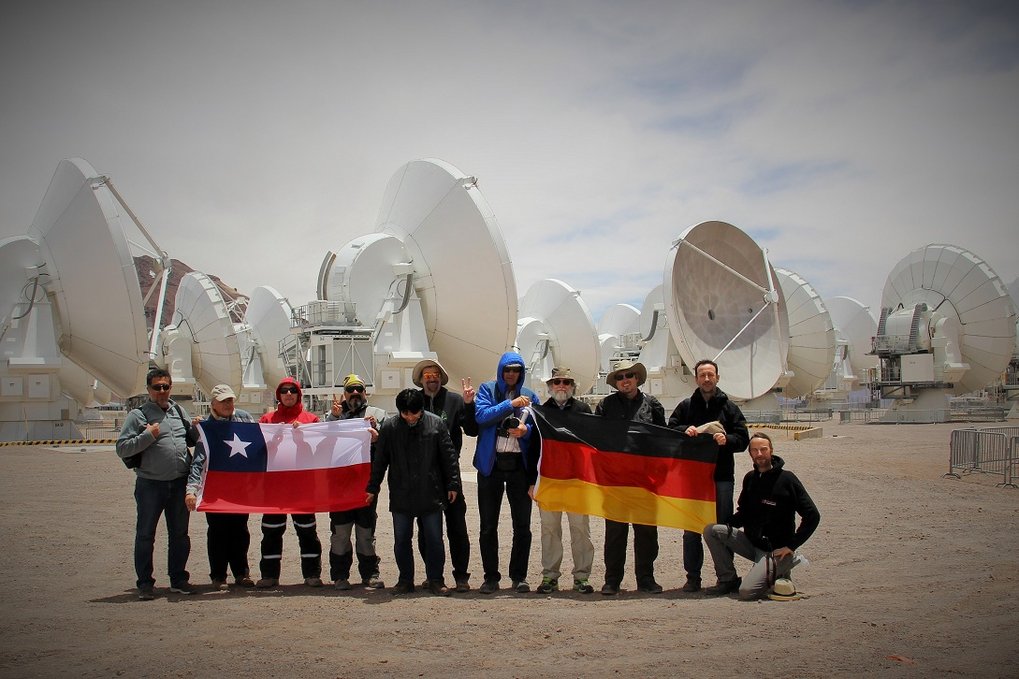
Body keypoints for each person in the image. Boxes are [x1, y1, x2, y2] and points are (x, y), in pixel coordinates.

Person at [365, 389, 461, 596]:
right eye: (405, 413)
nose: (410, 417)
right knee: (401, 539)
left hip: (431, 492)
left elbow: (449, 457)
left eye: (414, 413)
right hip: (401, 494)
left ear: (422, 410)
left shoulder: (436, 424)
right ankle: (405, 580)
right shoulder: (390, 427)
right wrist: (373, 487)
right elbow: (380, 461)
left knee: (435, 539)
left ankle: (436, 580)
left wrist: (453, 484)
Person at [702, 432, 820, 599]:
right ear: (750, 453)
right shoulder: (750, 478)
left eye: (763, 449)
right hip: (754, 544)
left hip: (778, 551)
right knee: (711, 530)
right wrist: (726, 525)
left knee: (746, 592)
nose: (759, 454)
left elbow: (813, 516)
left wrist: (791, 546)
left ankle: (783, 569)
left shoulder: (787, 479)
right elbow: (743, 513)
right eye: (754, 450)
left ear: (771, 450)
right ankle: (728, 580)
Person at [667, 359, 750, 593]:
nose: (706, 379)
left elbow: (743, 439)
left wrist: (728, 441)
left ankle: (726, 576)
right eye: (702, 375)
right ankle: (693, 577)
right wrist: (686, 430)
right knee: (691, 528)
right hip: (692, 478)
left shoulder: (729, 408)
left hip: (721, 477)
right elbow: (670, 430)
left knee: (721, 528)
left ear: (717, 378)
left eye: (710, 375)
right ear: (696, 379)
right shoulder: (686, 407)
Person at [116, 368, 198, 600]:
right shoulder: (138, 416)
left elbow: (190, 439)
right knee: (145, 535)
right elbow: (122, 448)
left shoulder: (178, 411)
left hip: (179, 483)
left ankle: (179, 579)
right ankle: (145, 583)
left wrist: (197, 427)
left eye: (165, 386)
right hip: (150, 484)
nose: (162, 391)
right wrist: (147, 436)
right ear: (149, 389)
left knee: (180, 534)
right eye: (157, 387)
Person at [596, 359, 666, 595]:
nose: (624, 380)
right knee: (615, 532)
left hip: (645, 480)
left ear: (637, 378)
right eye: (619, 377)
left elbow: (663, 440)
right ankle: (612, 580)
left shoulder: (653, 405)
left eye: (628, 376)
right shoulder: (605, 406)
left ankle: (646, 578)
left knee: (646, 531)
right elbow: (597, 441)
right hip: (616, 480)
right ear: (615, 382)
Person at [473, 351, 538, 594]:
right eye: (507, 369)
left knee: (522, 526)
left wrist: (526, 430)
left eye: (516, 370)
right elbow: (481, 416)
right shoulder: (487, 390)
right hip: (491, 465)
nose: (511, 374)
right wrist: (510, 404)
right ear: (501, 371)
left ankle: (519, 576)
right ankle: (491, 577)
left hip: (519, 467)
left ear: (522, 372)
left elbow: (539, 427)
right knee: (488, 525)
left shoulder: (531, 396)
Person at [412, 359, 478, 592]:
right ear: (421, 379)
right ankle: (433, 575)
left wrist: (469, 405)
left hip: (450, 472)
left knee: (457, 527)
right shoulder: (414, 400)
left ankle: (461, 576)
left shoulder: (454, 400)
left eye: (435, 374)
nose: (432, 377)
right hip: (422, 476)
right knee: (426, 529)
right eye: (427, 374)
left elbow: (472, 430)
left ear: (441, 377)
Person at [529, 367, 596, 594]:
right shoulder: (541, 411)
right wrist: (532, 482)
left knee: (580, 530)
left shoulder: (583, 410)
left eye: (566, 382)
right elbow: (533, 448)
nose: (561, 386)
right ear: (549, 386)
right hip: (549, 480)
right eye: (557, 382)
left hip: (578, 480)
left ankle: (582, 578)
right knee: (549, 529)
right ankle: (550, 577)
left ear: (572, 386)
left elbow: (593, 446)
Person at [184, 384, 255, 590]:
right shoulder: (206, 427)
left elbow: (262, 442)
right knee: (217, 532)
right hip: (215, 490)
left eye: (230, 400)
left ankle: (241, 573)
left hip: (240, 490)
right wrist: (191, 490)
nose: (228, 404)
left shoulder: (244, 419)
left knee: (240, 531)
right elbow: (198, 461)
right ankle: (218, 575)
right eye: (223, 401)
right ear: (213, 403)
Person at [256, 377, 323, 588]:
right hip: (274, 488)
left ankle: (312, 574)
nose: (288, 394)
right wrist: (272, 441)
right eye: (284, 391)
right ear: (278, 395)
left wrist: (305, 436)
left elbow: (321, 451)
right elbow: (257, 452)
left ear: (298, 394)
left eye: (292, 390)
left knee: (307, 532)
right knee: (271, 532)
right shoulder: (266, 420)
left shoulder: (311, 420)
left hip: (302, 487)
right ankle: (269, 575)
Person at [324, 374, 386, 590]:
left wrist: (378, 433)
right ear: (344, 393)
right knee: (340, 533)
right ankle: (340, 575)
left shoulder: (378, 415)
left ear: (365, 392)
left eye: (359, 389)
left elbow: (388, 445)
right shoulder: (331, 415)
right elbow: (320, 444)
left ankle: (370, 574)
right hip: (339, 487)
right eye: (351, 390)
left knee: (365, 532)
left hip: (366, 486)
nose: (355, 393)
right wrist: (333, 420)